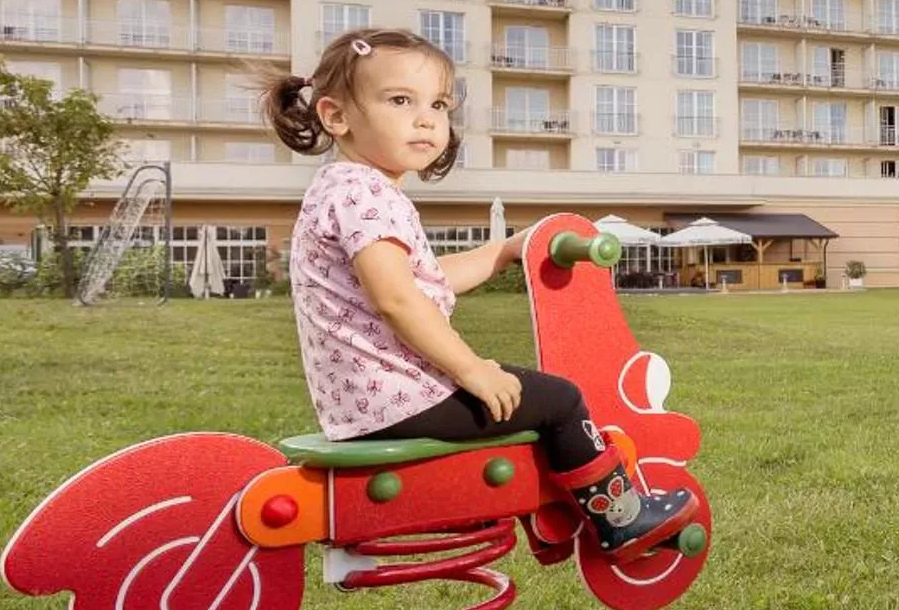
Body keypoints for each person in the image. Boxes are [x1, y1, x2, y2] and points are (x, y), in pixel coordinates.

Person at [261, 28, 690, 558]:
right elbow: (398, 300)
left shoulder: (342, 187)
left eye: (438, 104)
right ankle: (621, 520)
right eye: (400, 100)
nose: (426, 118)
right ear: (336, 116)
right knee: (559, 399)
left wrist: (502, 251)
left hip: (365, 402)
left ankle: (552, 510)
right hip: (402, 398)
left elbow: (420, 280)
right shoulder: (365, 193)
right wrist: (471, 369)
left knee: (525, 395)